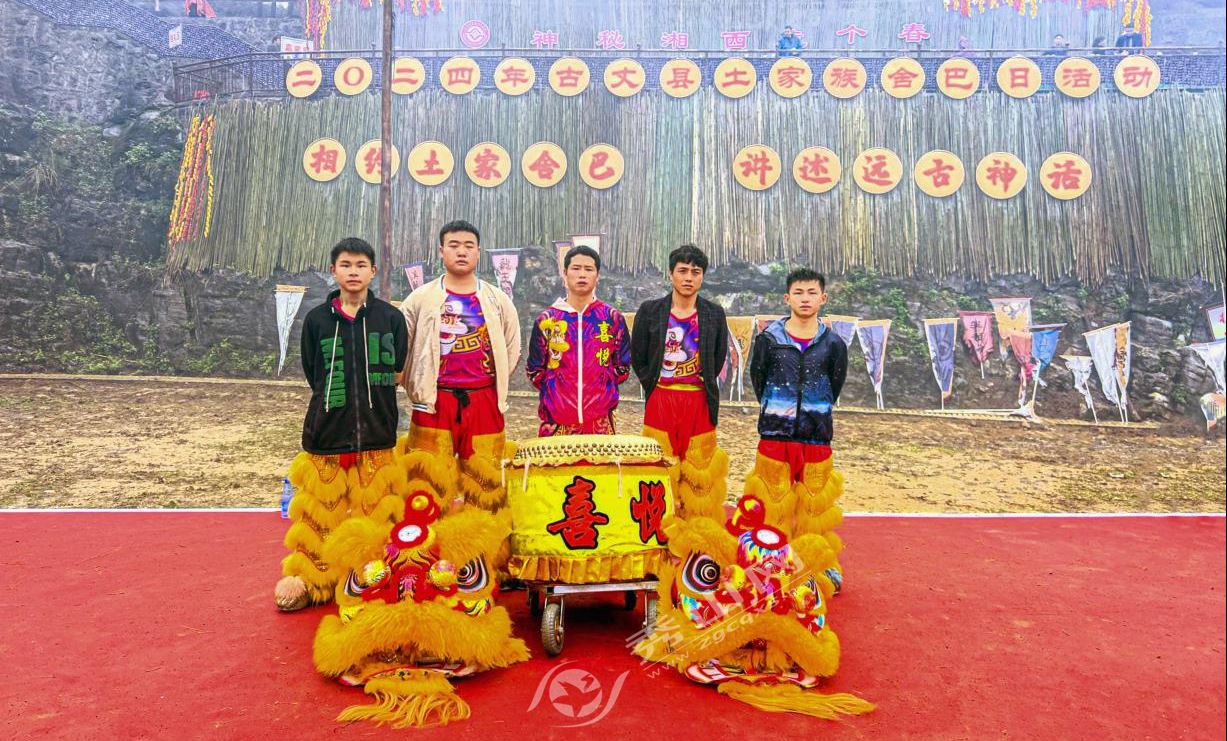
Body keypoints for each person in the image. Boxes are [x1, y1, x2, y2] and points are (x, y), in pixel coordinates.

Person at [274, 237, 409, 612]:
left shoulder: (390, 319)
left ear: (373, 271)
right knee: (319, 513)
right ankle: (311, 579)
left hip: (377, 433)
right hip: (326, 433)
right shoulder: (317, 320)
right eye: (346, 265)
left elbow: (398, 371)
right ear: (333, 271)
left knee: (376, 512)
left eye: (361, 265)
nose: (353, 272)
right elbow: (313, 372)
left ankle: (373, 575)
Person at [398, 220, 521, 512]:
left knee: (485, 479)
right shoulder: (421, 298)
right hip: (433, 400)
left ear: (478, 252)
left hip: (484, 399)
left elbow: (511, 345)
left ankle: (483, 535)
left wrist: (495, 381)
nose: (461, 252)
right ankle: (425, 534)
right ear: (441, 251)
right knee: (426, 480)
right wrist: (414, 384)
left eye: (468, 246)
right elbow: (403, 345)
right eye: (453, 246)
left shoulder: (497, 299)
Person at [744, 268, 848, 592]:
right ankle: (769, 566)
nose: (805, 299)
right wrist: (778, 410)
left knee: (815, 506)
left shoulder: (834, 344)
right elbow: (759, 379)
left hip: (816, 436)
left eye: (812, 292)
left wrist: (813, 412)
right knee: (772, 503)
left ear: (823, 298)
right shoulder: (768, 340)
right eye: (799, 293)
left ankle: (816, 565)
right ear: (787, 298)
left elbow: (835, 384)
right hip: (775, 436)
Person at [631, 244, 730, 518]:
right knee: (660, 463)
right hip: (661, 397)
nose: (688, 278)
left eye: (695, 272)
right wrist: (653, 384)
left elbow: (717, 358)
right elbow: (639, 355)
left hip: (698, 399)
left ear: (702, 277)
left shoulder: (713, 314)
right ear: (670, 274)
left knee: (699, 468)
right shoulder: (650, 311)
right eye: (682, 271)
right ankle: (660, 523)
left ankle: (695, 525)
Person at [526, 245, 630, 436]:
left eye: (589, 269)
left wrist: (602, 385)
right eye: (576, 268)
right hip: (557, 424)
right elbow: (535, 370)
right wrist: (556, 390)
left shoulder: (612, 318)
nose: (582, 274)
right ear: (565, 273)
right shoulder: (547, 320)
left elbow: (622, 367)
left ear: (597, 276)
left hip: (600, 424)